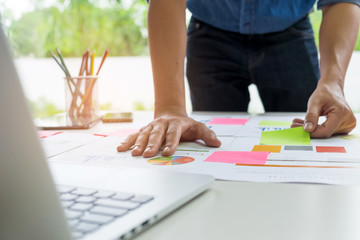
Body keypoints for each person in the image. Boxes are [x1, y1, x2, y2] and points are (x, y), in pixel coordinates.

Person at [117, 0, 360, 158]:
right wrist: (169, 107)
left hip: (291, 32)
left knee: (311, 143)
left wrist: (333, 82)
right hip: (209, 32)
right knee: (208, 150)